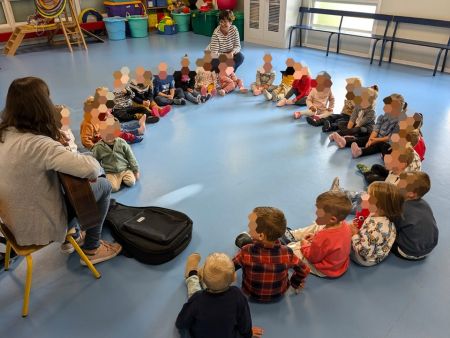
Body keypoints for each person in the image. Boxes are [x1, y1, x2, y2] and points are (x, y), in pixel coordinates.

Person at [0, 77, 121, 265]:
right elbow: (92, 168)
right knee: (103, 184)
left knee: (60, 179)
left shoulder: (4, 133)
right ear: (43, 106)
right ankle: (92, 247)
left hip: (10, 222)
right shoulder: (39, 145)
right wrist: (66, 150)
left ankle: (72, 236)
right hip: (37, 227)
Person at [233, 207, 310, 302]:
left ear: (261, 235)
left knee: (244, 241)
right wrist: (295, 282)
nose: (249, 226)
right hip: (279, 293)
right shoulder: (287, 253)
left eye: (251, 225)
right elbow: (304, 270)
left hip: (251, 292)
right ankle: (285, 235)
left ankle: (243, 238)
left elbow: (230, 267)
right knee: (281, 242)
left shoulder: (246, 251)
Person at [176, 252, 256, 338]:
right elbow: (244, 321)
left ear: (203, 276)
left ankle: (192, 273)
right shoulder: (237, 295)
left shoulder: (197, 298)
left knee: (195, 290)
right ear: (233, 278)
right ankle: (208, 281)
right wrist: (248, 333)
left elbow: (181, 323)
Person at [284, 191, 353, 278]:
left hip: (325, 269)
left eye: (319, 212)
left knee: (288, 251)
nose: (316, 212)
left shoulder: (323, 237)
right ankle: (292, 235)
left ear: (332, 219)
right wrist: (315, 236)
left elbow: (312, 258)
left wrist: (304, 244)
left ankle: (289, 244)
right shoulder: (344, 224)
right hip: (338, 264)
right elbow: (331, 241)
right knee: (317, 225)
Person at [351, 182, 404, 266]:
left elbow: (364, 253)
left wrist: (354, 234)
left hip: (364, 259)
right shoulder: (384, 217)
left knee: (341, 237)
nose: (364, 197)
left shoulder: (375, 228)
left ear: (379, 206)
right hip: (374, 248)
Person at [393, 172, 438, 260]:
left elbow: (394, 227)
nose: (396, 184)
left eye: (401, 184)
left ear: (411, 194)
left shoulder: (401, 209)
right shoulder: (425, 204)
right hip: (429, 248)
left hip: (409, 251)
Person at [350, 94, 407, 158]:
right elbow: (375, 130)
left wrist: (375, 140)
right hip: (377, 137)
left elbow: (390, 138)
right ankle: (345, 142)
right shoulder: (383, 116)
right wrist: (370, 140)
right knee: (364, 139)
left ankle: (360, 152)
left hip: (387, 142)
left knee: (380, 145)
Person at [92, 116, 140, 192]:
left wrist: (135, 170)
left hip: (124, 169)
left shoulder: (121, 142)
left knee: (131, 182)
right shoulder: (98, 147)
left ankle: (124, 179)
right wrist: (95, 175)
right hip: (110, 172)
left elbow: (130, 156)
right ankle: (118, 181)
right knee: (113, 188)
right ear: (100, 134)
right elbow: (95, 161)